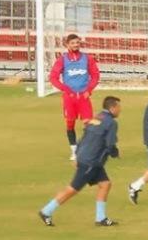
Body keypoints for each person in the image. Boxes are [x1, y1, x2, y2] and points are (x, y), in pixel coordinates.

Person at [38, 96, 122, 227]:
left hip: (87, 158)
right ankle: (46, 211)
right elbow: (110, 144)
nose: (120, 110)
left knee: (105, 184)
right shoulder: (111, 123)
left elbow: (84, 137)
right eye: (118, 107)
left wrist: (77, 154)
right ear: (112, 108)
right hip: (91, 161)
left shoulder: (96, 117)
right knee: (73, 189)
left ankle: (101, 218)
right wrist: (115, 153)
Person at [49, 33, 100, 161]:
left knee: (89, 124)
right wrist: (65, 89)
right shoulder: (62, 60)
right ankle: (74, 150)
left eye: (77, 42)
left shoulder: (87, 58)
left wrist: (89, 90)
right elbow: (53, 77)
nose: (76, 45)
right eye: (73, 43)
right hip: (69, 98)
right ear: (67, 45)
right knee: (70, 124)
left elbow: (95, 75)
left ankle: (86, 149)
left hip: (83, 96)